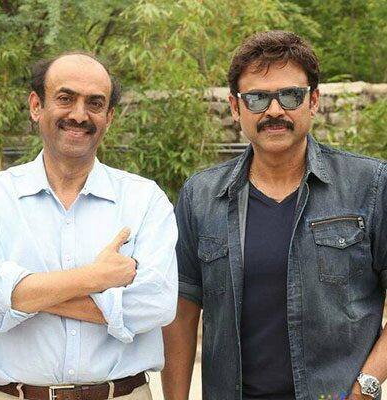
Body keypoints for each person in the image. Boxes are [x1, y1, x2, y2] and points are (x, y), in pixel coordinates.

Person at [162, 30, 387, 400]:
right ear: (235, 107)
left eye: (290, 95)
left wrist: (365, 389)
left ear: (313, 101)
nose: (275, 111)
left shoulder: (370, 185)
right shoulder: (200, 196)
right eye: (257, 98)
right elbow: (181, 312)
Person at [0, 52, 178, 400]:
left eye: (95, 103)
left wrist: (23, 294)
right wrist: (96, 278)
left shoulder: (144, 200)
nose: (79, 114)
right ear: (36, 106)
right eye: (65, 98)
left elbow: (155, 305)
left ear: (109, 117)